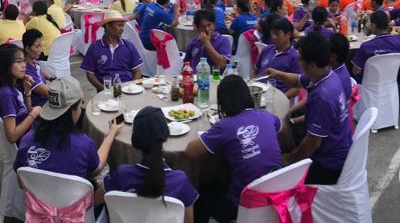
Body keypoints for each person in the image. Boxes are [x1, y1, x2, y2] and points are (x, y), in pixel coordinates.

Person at [187, 76, 283, 222]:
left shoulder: (225, 126)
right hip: (277, 193)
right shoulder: (266, 115)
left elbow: (190, 151)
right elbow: (281, 127)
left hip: (245, 202)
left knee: (202, 192)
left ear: (223, 102)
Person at [15, 76, 123, 181]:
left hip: (35, 193)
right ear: (73, 109)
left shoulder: (27, 140)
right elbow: (96, 169)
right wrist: (111, 133)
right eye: (81, 103)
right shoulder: (83, 144)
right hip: (77, 194)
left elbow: (21, 181)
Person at [283, 33, 356, 185]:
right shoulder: (329, 74)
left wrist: (289, 159)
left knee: (281, 154)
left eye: (301, 60)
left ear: (311, 65)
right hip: (338, 145)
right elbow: (298, 80)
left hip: (328, 164)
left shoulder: (322, 97)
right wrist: (278, 74)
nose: (299, 63)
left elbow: (313, 143)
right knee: (289, 132)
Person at [101, 106, 198, 217]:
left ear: (135, 140)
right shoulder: (180, 181)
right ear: (165, 135)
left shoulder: (122, 174)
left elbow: (96, 199)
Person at [0, 43, 41, 221]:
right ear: (6, 66)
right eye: (18, 62)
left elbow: (24, 112)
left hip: (29, 136)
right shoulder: (6, 95)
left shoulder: (14, 89)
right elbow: (11, 135)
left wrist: (27, 92)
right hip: (26, 145)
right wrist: (34, 115)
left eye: (23, 61)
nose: (23, 65)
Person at [80, 10, 143, 91]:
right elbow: (90, 74)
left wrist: (131, 87)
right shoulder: (94, 47)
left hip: (127, 88)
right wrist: (103, 89)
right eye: (119, 25)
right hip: (105, 89)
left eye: (122, 26)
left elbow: (137, 71)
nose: (122, 29)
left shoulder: (128, 46)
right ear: (108, 26)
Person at [352, 10, 400, 79]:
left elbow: (355, 71)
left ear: (373, 25)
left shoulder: (366, 46)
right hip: (391, 82)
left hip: (369, 83)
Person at [258, 18, 304, 96]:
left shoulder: (294, 57)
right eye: (272, 33)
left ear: (288, 34)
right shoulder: (267, 50)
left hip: (277, 96)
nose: (274, 37)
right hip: (260, 94)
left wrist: (281, 99)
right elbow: (256, 70)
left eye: (278, 34)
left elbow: (296, 87)